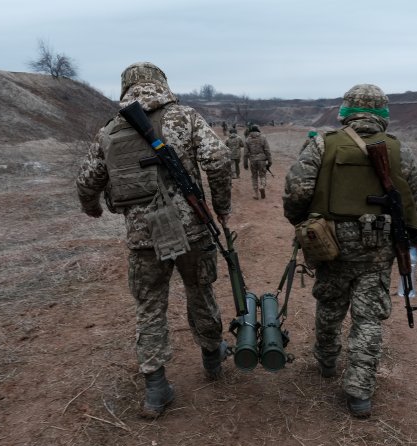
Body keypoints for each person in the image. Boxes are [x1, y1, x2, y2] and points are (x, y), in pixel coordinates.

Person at [76, 62, 232, 419]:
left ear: (125, 88)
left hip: (144, 237)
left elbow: (86, 181)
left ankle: (156, 388)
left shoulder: (111, 129)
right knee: (200, 291)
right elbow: (219, 159)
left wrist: (94, 209)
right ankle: (212, 358)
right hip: (192, 229)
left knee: (149, 307)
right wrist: (221, 206)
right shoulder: (185, 118)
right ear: (161, 83)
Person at [282, 84, 417, 418]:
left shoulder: (322, 143)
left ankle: (327, 361)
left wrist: (303, 224)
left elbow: (296, 191)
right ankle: (359, 392)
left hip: (330, 243)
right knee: (368, 318)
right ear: (384, 115)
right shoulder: (398, 150)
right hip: (376, 248)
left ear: (345, 111)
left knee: (330, 304)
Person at [244, 125, 272, 199]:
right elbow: (267, 150)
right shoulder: (263, 138)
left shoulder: (247, 140)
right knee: (262, 175)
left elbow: (245, 153)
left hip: (253, 160)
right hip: (262, 160)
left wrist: (245, 163)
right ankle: (262, 186)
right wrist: (270, 161)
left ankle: (256, 193)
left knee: (254, 177)